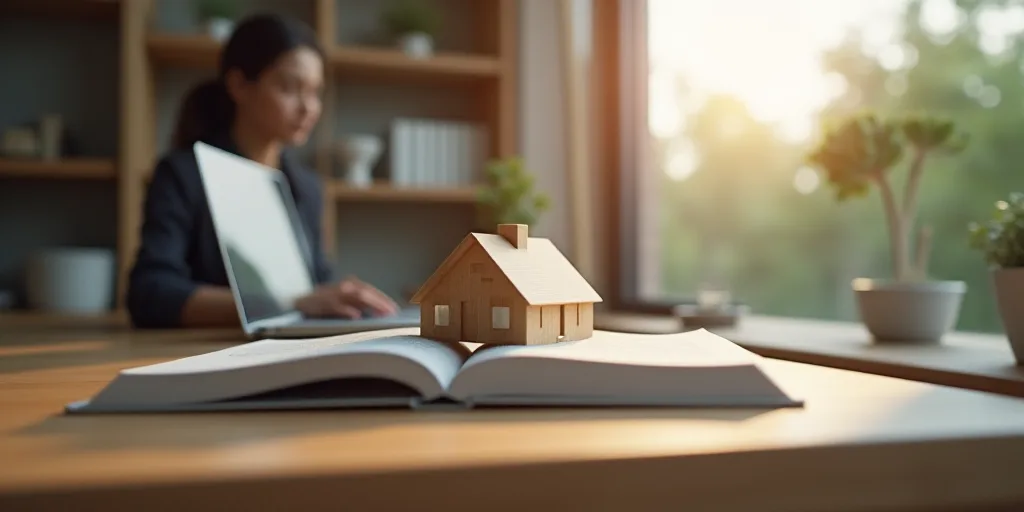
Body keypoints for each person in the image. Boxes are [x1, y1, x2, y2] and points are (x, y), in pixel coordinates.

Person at [126, 13, 398, 328]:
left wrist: (340, 297)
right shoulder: (184, 174)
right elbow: (149, 293)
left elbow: (315, 282)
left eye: (315, 92)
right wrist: (283, 303)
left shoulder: (307, 187)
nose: (308, 107)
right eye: (289, 87)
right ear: (239, 85)